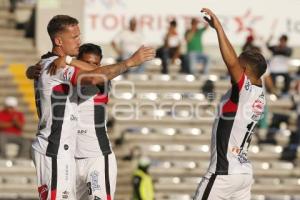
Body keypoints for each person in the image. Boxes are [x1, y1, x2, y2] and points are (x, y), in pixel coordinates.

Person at [29, 15, 154, 200]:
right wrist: (129, 62)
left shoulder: (55, 64)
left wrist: (68, 60)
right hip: (55, 149)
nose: (79, 41)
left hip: (87, 154)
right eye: (74, 37)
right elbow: (93, 75)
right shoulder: (56, 67)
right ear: (58, 40)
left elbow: (96, 75)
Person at [193, 8, 267, 200]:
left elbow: (232, 64)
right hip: (243, 174)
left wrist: (218, 29)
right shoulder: (260, 93)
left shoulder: (244, 90)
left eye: (238, 64)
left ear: (243, 70)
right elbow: (237, 64)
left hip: (224, 173)